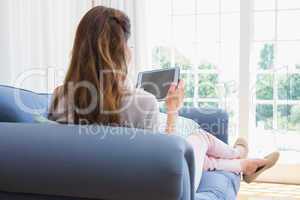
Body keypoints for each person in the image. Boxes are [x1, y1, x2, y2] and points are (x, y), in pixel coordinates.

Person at [48, 6, 280, 190]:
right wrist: (171, 112)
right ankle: (239, 154)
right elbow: (162, 162)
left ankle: (242, 164)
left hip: (91, 183)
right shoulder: (142, 102)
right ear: (120, 52)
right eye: (127, 44)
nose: (130, 50)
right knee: (199, 138)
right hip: (152, 187)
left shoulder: (59, 97)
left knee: (199, 148)